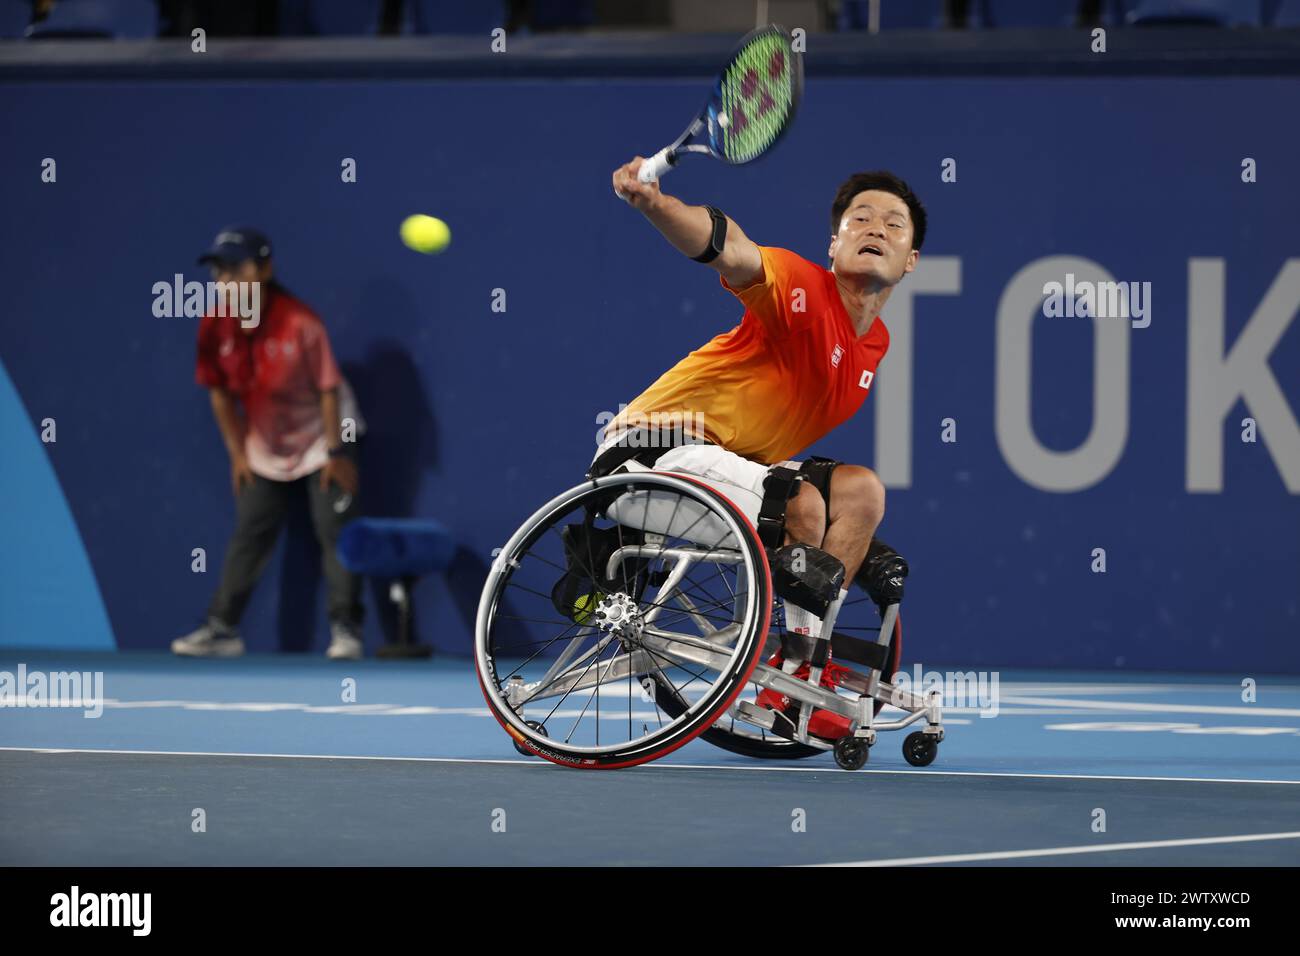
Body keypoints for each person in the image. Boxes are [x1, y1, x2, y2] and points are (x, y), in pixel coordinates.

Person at [599, 161, 926, 738]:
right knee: (799, 503)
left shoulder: (875, 344)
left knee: (861, 492)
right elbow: (730, 248)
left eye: (894, 224)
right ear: (834, 242)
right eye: (860, 218)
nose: (876, 228)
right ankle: (800, 674)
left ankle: (803, 661)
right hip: (646, 456)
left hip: (724, 471)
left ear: (911, 259)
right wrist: (655, 204)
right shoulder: (801, 285)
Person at [172, 227, 366, 659]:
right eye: (218, 271)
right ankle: (222, 629)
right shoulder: (214, 325)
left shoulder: (300, 322)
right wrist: (238, 453)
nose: (224, 281)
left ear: (264, 269)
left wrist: (335, 453)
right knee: (249, 531)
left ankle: (346, 629)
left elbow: (328, 389)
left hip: (325, 434)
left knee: (333, 530)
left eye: (235, 268)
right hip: (266, 440)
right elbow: (219, 392)